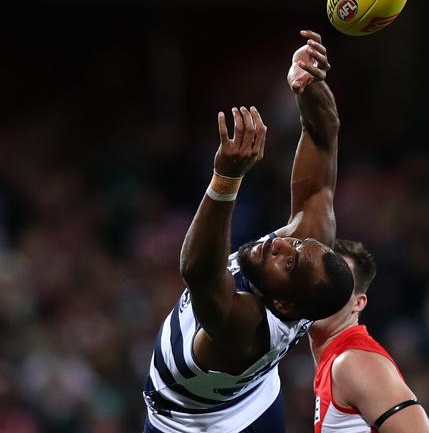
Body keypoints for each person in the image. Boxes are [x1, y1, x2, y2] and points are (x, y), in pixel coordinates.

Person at [143, 30, 354, 433]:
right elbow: (323, 140)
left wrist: (226, 178)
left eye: (288, 263)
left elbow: (197, 271)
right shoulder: (309, 263)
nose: (279, 244)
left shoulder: (245, 330)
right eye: (297, 243)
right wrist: (309, 86)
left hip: (191, 426)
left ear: (286, 307)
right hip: (257, 399)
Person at [310, 239, 429, 433]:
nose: (321, 290)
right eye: (316, 279)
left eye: (336, 283)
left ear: (358, 303)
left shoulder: (353, 362)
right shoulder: (335, 361)